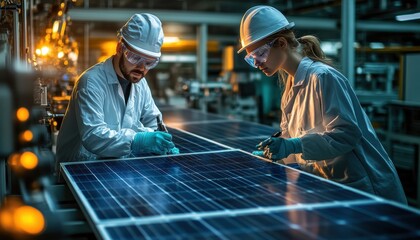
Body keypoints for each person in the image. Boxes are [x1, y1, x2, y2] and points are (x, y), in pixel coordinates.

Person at [238, 5, 407, 204]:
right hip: (333, 188)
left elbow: (346, 135)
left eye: (260, 54)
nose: (257, 63)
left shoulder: (323, 77)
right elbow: (295, 145)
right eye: (251, 58)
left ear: (281, 43)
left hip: (366, 188)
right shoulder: (290, 89)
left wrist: (293, 145)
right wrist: (277, 154)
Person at [56, 13, 179, 169]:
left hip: (114, 164)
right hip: (80, 167)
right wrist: (138, 141)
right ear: (120, 48)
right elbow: (93, 136)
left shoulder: (141, 83)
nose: (141, 68)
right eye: (135, 58)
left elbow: (152, 120)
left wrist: (161, 141)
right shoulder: (91, 81)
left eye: (149, 62)